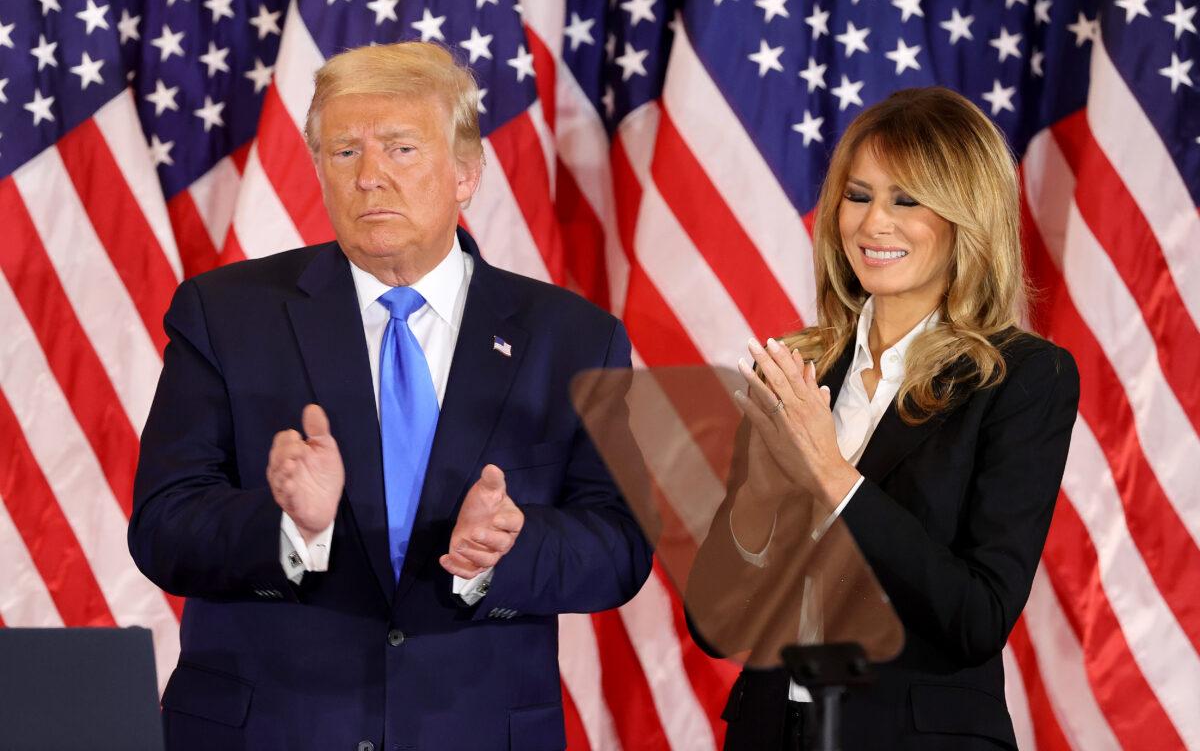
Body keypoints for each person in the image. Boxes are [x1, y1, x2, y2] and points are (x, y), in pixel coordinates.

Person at [128, 42, 652, 751]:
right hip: (269, 732)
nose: (370, 177)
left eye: (401, 149)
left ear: (466, 173)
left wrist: (509, 546)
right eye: (344, 153)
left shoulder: (573, 339)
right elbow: (163, 525)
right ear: (317, 169)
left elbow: (620, 546)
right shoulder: (223, 314)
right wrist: (290, 528)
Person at [690, 86, 1080, 750]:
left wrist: (833, 477)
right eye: (859, 194)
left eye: (907, 199)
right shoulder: (798, 368)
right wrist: (760, 491)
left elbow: (977, 617)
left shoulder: (1022, 377)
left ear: (967, 216)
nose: (874, 225)